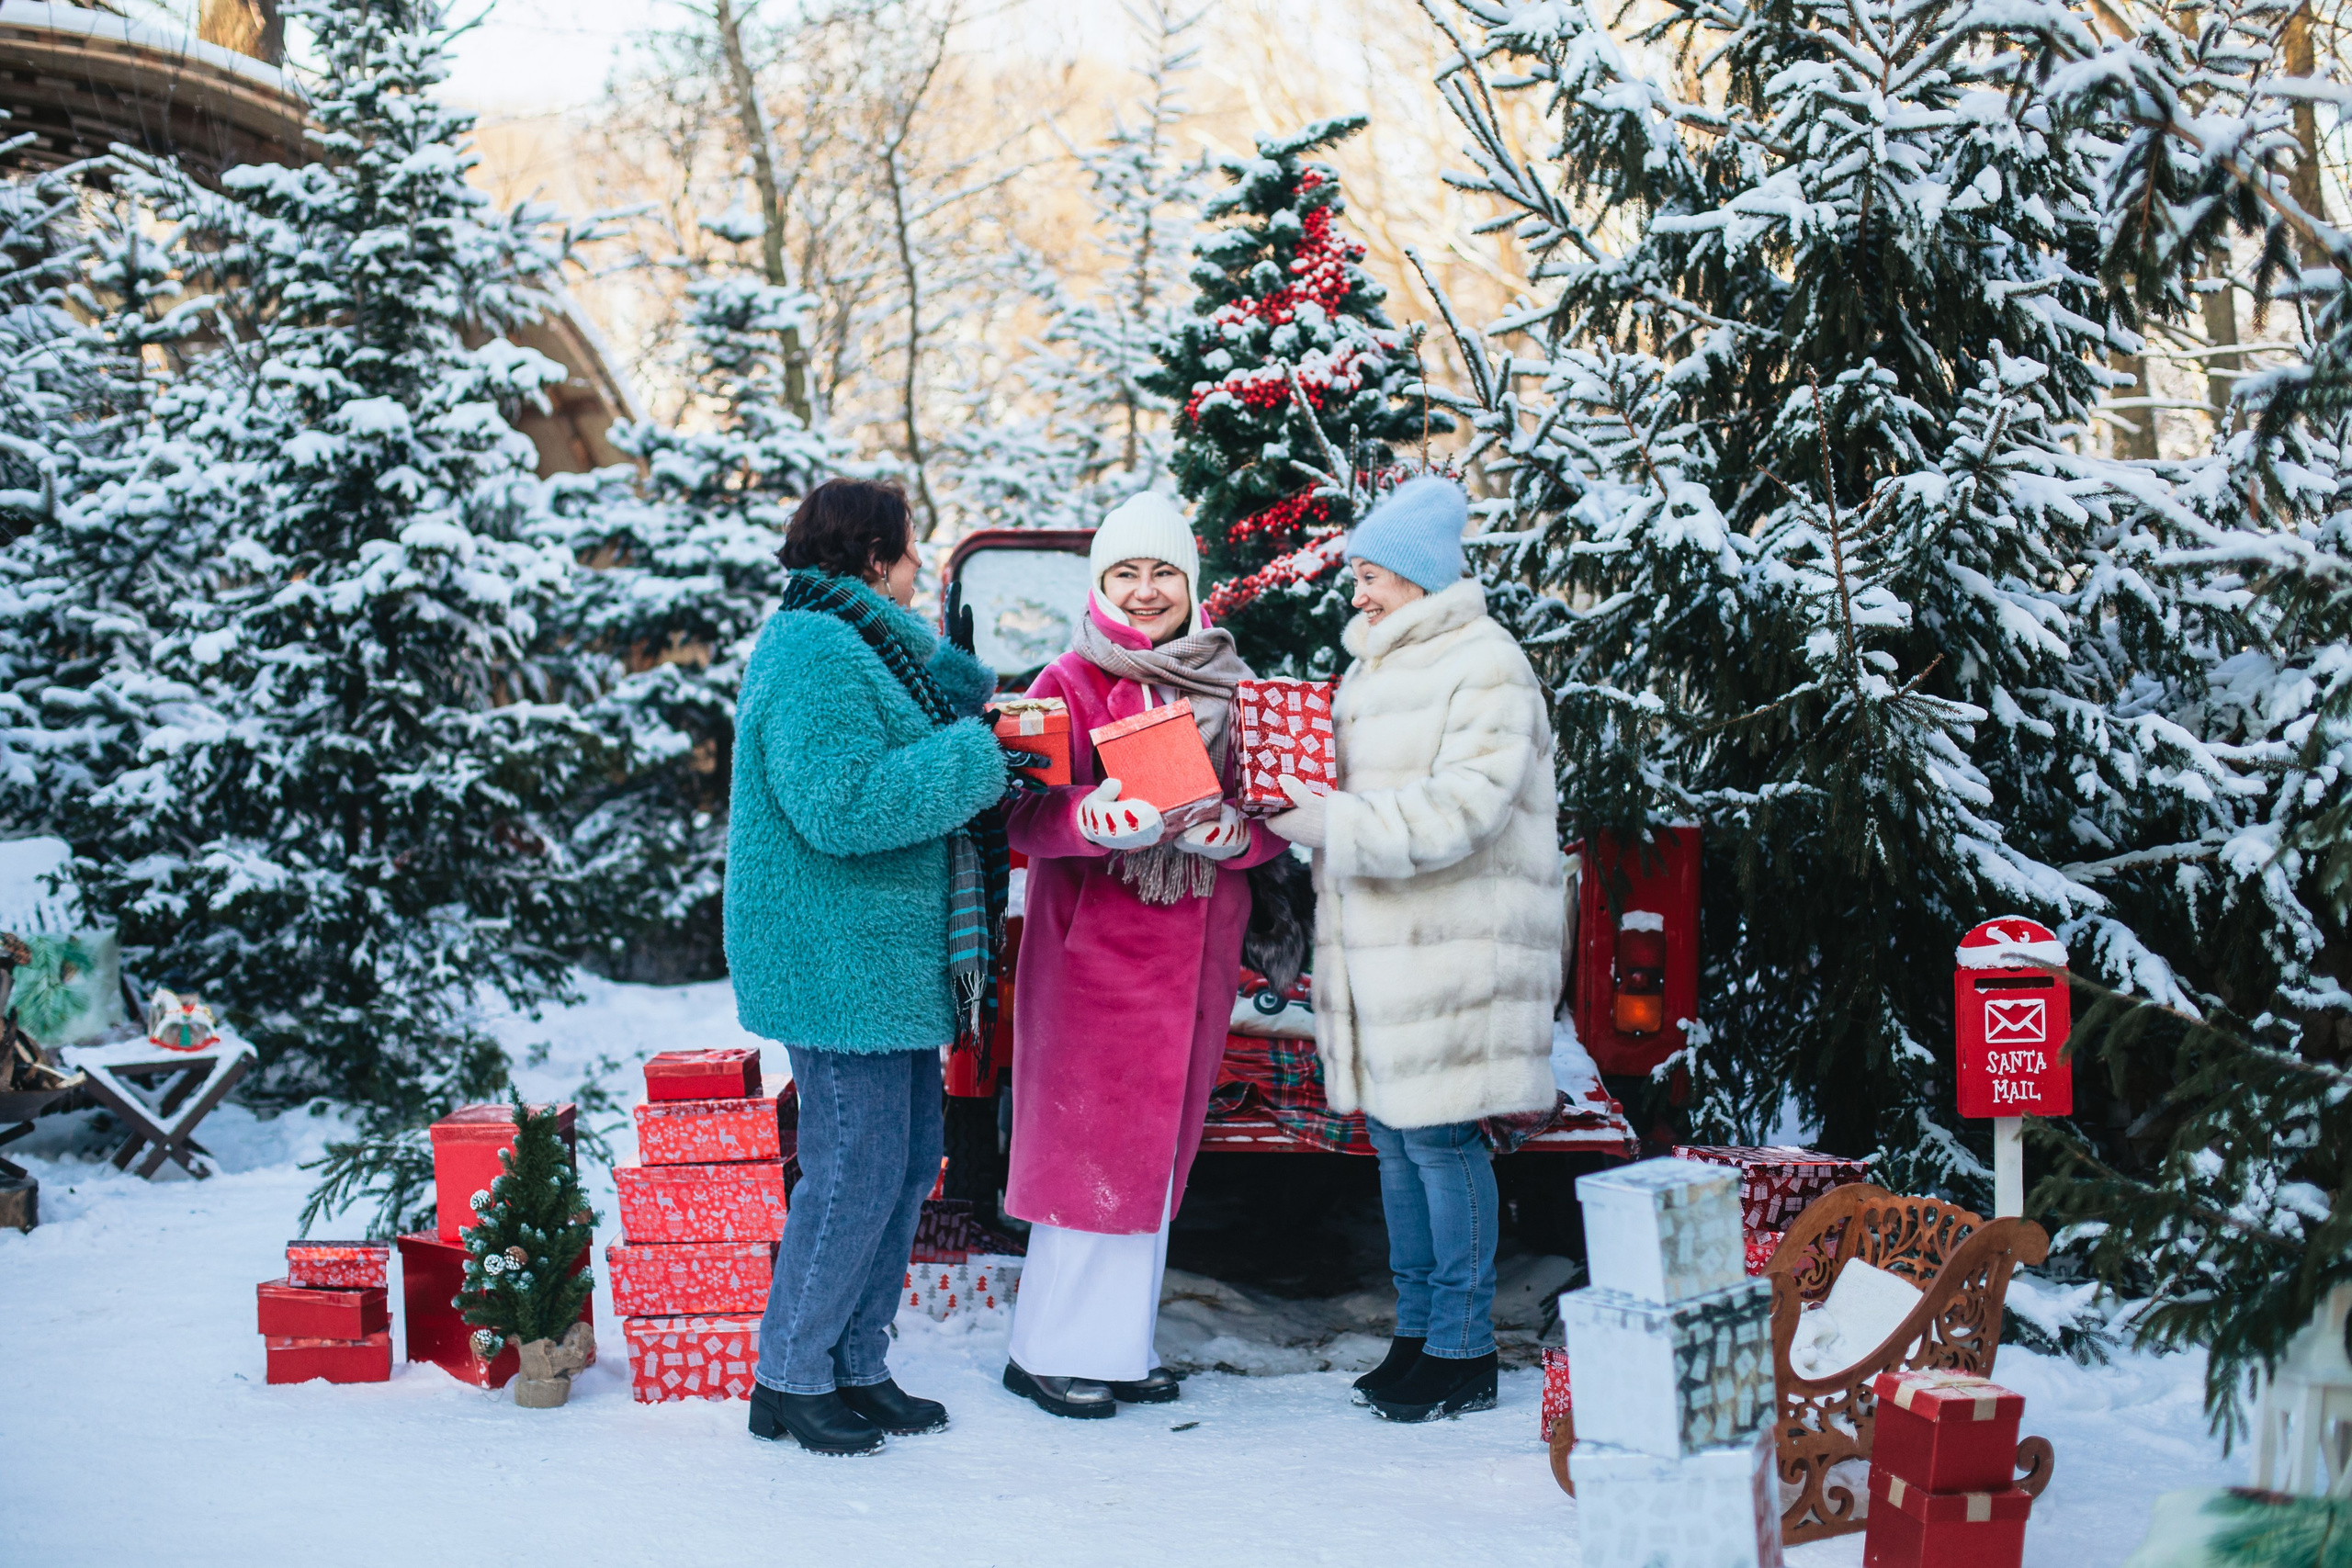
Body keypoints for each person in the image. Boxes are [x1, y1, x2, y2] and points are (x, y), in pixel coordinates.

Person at [1266, 475, 1565, 1423]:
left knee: (1439, 1142)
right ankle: (1417, 1333)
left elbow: (1466, 808)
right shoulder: (1375, 668)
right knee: (1396, 1146)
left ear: (1420, 576)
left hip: (1450, 948)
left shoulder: (1484, 664)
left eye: (1372, 576)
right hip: (1384, 949)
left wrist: (1332, 821)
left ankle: (1462, 1349)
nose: (1356, 593)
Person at [726, 478, 1012, 1455]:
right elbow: (839, 805)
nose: (920, 560)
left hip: (879, 963)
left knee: (899, 1167)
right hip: (834, 960)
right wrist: (977, 761)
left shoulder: (862, 645)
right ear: (872, 554)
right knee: (853, 1171)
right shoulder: (812, 648)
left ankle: (855, 1362)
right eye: (909, 544)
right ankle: (789, 1375)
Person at [997, 491, 1285, 1418]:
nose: (1146, 588)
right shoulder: (1065, 681)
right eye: (1127, 571)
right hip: (1096, 959)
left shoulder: (1233, 686)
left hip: (1195, 953)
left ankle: (1117, 1350)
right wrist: (1089, 816)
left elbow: (1275, 819)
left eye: (1163, 571)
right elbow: (1018, 812)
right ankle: (1043, 1352)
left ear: (1190, 581)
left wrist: (1229, 838)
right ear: (1100, 582)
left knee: (1156, 1158)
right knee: (1087, 1150)